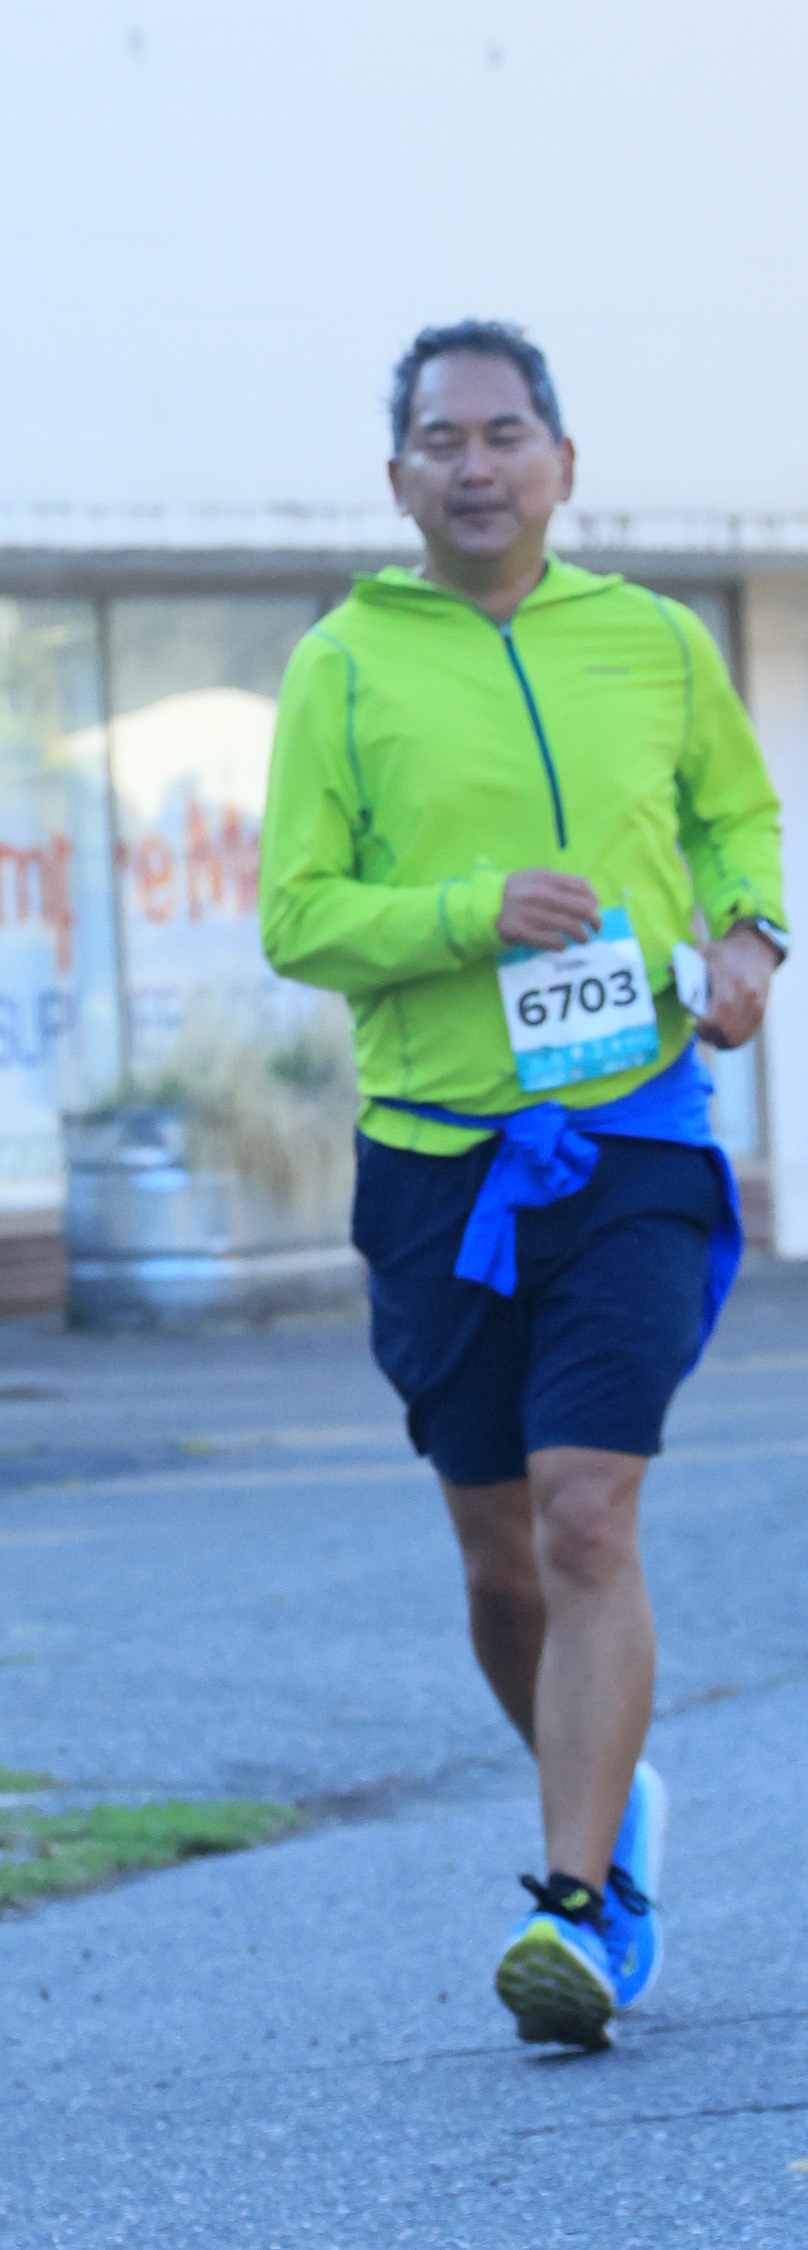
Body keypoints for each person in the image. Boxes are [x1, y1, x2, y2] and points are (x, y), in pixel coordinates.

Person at [260, 317, 785, 2048]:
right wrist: (469, 913)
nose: (475, 465)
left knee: (583, 1513)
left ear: (564, 461)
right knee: (500, 1562)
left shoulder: (653, 639)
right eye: (442, 439)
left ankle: (577, 1902)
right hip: (438, 1163)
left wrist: (750, 939)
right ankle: (607, 1801)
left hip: (632, 1129)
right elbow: (298, 916)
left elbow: (739, 821)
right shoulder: (344, 662)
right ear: (397, 476)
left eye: (504, 433)